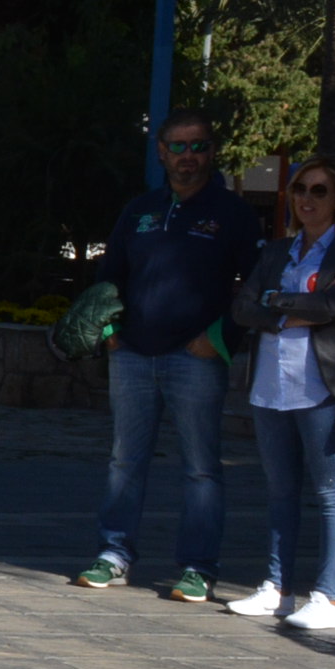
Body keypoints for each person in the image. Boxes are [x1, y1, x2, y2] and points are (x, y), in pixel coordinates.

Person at [76, 107, 262, 602]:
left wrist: (219, 340)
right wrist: (110, 328)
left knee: (201, 467)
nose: (188, 157)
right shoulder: (139, 210)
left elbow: (256, 286)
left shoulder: (233, 214)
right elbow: (110, 275)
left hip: (195, 360)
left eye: (197, 146)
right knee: (124, 461)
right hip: (132, 356)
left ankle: (198, 566)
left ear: (212, 150)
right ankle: (114, 554)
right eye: (177, 147)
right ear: (161, 153)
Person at [228, 156, 335, 630]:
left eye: (318, 191)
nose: (306, 199)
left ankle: (329, 597)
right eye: (300, 189)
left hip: (324, 388)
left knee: (332, 493)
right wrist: (286, 311)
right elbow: (242, 308)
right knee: (279, 492)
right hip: (271, 387)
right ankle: (276, 587)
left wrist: (276, 302)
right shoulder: (277, 252)